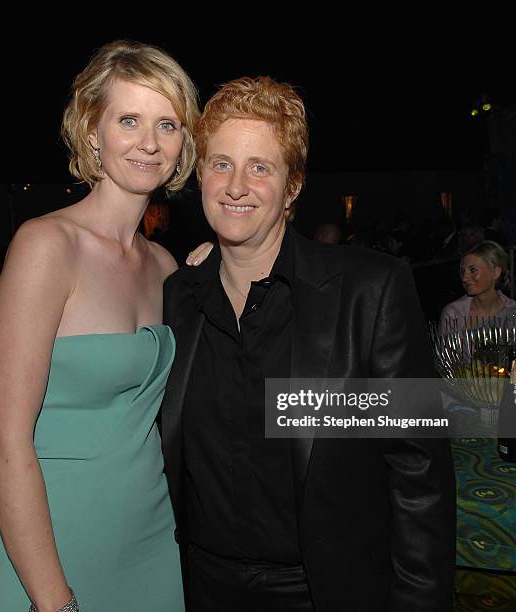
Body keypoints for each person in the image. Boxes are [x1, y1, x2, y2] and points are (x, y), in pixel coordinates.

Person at [161, 76, 455, 611]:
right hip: (200, 586)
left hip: (326, 590)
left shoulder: (371, 290)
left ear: (292, 186)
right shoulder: (178, 298)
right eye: (221, 163)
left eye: (260, 167)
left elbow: (419, 473)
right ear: (200, 173)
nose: (236, 185)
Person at [0, 40, 199, 611]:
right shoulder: (46, 246)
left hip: (150, 543)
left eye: (166, 124)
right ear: (92, 131)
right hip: (46, 550)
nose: (149, 142)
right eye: (129, 120)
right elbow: (1, 441)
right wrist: (54, 602)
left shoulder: (167, 267)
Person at [438, 240, 516, 335]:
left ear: (495, 272)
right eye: (463, 271)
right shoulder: (453, 314)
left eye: (473, 270)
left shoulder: (512, 311)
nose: (464, 278)